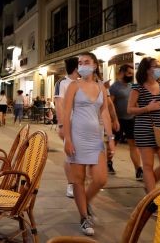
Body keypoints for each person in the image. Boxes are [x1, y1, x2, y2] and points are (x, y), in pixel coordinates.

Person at [62, 52, 115, 236]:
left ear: (95, 65)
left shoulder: (101, 87)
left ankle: (84, 202)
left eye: (86, 62)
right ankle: (84, 217)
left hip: (95, 138)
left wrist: (111, 138)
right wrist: (67, 139)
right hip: (77, 137)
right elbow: (66, 112)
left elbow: (105, 113)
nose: (82, 65)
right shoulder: (73, 86)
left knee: (101, 179)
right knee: (78, 180)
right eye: (80, 63)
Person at [127, 57, 160, 194]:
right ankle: (152, 199)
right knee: (148, 166)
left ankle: (149, 186)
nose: (159, 68)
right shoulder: (138, 87)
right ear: (147, 70)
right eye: (156, 66)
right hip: (144, 128)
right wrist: (148, 108)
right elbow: (129, 109)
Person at [109, 64, 143, 180]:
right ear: (122, 73)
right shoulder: (114, 87)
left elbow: (135, 102)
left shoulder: (132, 86)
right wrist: (113, 120)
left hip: (131, 119)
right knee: (114, 143)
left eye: (132, 74)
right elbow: (110, 104)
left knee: (133, 145)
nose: (130, 76)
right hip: (118, 120)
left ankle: (138, 169)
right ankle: (108, 162)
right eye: (129, 73)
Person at [54, 57, 80, 199]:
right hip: (69, 124)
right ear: (76, 68)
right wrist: (62, 125)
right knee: (70, 155)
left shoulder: (82, 83)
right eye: (81, 64)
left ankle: (79, 182)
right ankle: (71, 185)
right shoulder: (62, 83)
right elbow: (59, 104)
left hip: (83, 125)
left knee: (80, 155)